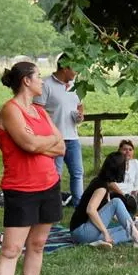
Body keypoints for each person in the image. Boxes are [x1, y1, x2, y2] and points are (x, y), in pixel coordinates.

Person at [0, 62, 65, 275]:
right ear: (26, 81)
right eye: (39, 77)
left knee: (38, 244)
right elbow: (29, 144)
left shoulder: (40, 112)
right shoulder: (10, 110)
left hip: (49, 185)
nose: (42, 81)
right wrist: (43, 142)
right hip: (21, 189)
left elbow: (61, 147)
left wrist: (40, 144)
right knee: (11, 249)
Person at [69, 152, 138, 249]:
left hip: (82, 233)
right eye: (125, 165)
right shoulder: (101, 187)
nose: (127, 168)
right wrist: (105, 232)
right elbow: (90, 210)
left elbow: (112, 214)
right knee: (116, 202)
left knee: (130, 230)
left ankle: (98, 242)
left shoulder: (102, 182)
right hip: (81, 231)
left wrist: (133, 221)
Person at [34, 54, 83, 206]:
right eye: (74, 68)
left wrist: (80, 116)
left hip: (73, 138)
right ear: (65, 68)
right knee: (55, 175)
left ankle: (79, 206)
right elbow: (37, 111)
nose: (76, 72)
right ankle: (53, 205)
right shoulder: (46, 84)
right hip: (54, 140)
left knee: (77, 173)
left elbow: (79, 105)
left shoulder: (76, 85)